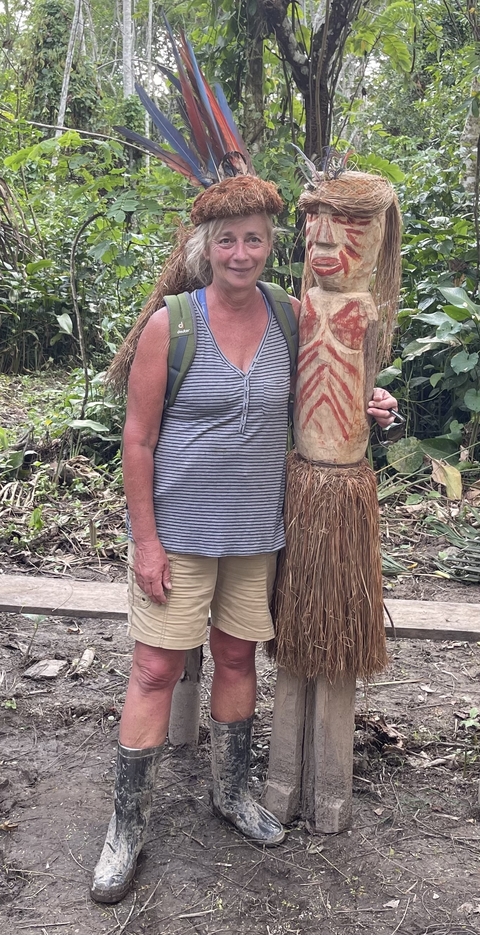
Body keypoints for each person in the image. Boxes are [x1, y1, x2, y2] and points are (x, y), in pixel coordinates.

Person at [89, 173, 397, 904]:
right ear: (205, 245)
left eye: (254, 238)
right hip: (181, 532)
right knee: (157, 668)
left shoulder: (289, 317)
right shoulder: (172, 323)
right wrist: (148, 542)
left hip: (256, 529)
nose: (240, 251)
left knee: (234, 655)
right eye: (226, 239)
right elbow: (137, 440)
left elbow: (325, 387)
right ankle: (125, 824)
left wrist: (371, 400)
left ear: (269, 244)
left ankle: (230, 792)